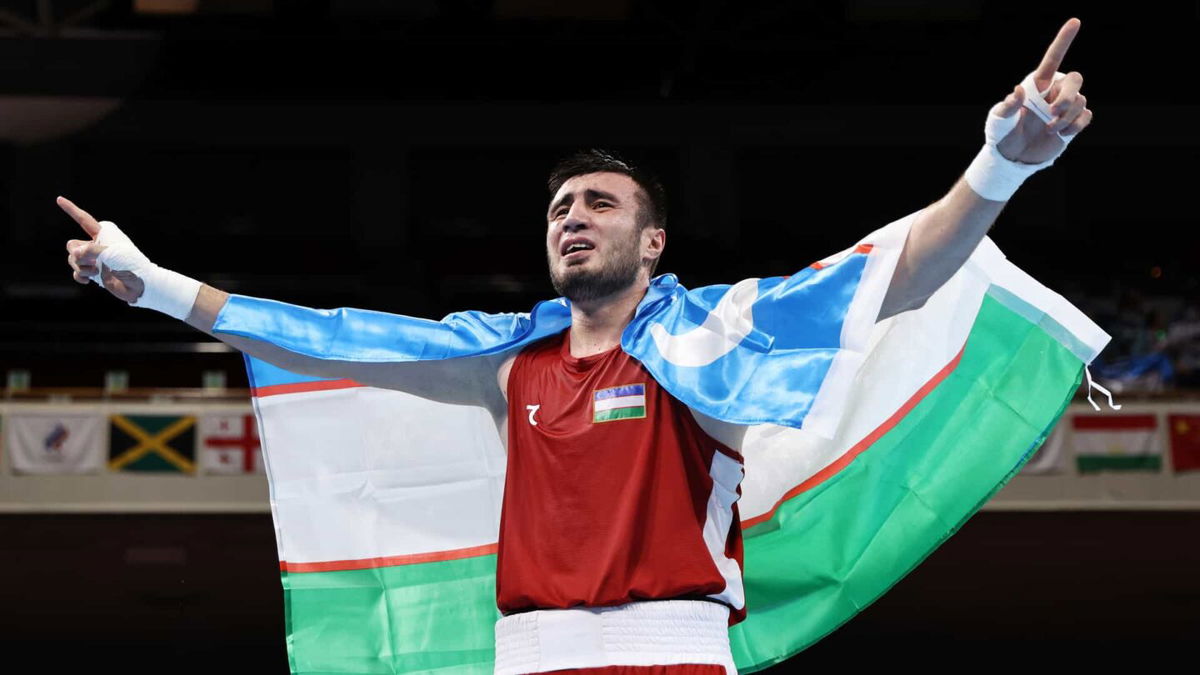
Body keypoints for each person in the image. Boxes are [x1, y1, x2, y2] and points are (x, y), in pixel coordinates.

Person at [61, 18, 1093, 675]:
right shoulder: (505, 354)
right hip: (524, 658)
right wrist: (150, 284)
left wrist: (1002, 164)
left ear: (652, 241)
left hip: (675, 654)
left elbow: (892, 270)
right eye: (559, 206)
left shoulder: (710, 335)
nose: (571, 216)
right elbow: (328, 334)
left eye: (599, 203)